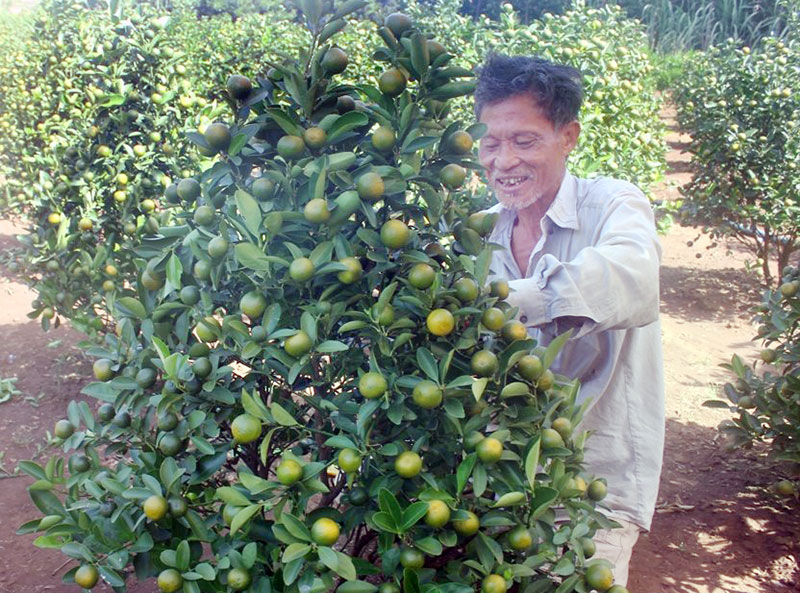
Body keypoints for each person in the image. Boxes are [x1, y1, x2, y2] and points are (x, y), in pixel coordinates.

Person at [474, 53, 665, 587]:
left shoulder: (613, 205)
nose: (503, 160)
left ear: (569, 137)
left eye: (524, 140)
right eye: (490, 143)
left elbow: (630, 276)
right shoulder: (478, 232)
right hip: (498, 473)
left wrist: (509, 299)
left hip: (592, 480)